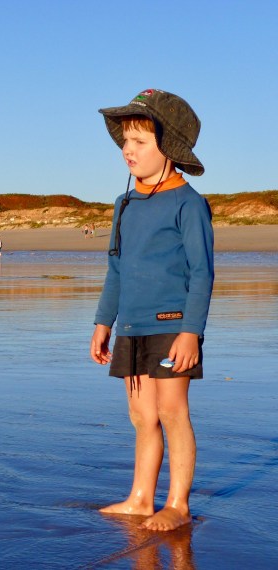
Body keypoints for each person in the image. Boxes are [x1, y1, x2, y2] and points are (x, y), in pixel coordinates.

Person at [89, 89, 214, 532]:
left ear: (170, 147)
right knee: (142, 416)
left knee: (171, 411)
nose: (128, 149)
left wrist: (190, 331)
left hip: (172, 325)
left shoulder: (188, 203)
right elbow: (116, 268)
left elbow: (201, 272)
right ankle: (141, 498)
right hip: (131, 326)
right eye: (125, 141)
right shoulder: (124, 204)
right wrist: (103, 322)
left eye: (140, 141)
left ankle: (177, 503)